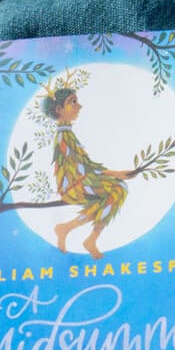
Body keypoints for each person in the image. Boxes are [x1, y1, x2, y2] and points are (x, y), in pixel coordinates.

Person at [44, 86, 133, 260]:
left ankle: (71, 230)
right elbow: (85, 167)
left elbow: (85, 167)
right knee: (118, 188)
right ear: (59, 109)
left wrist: (117, 175)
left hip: (81, 181)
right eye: (73, 102)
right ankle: (80, 234)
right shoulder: (64, 137)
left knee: (118, 189)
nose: (79, 106)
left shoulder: (67, 133)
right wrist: (117, 174)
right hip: (74, 186)